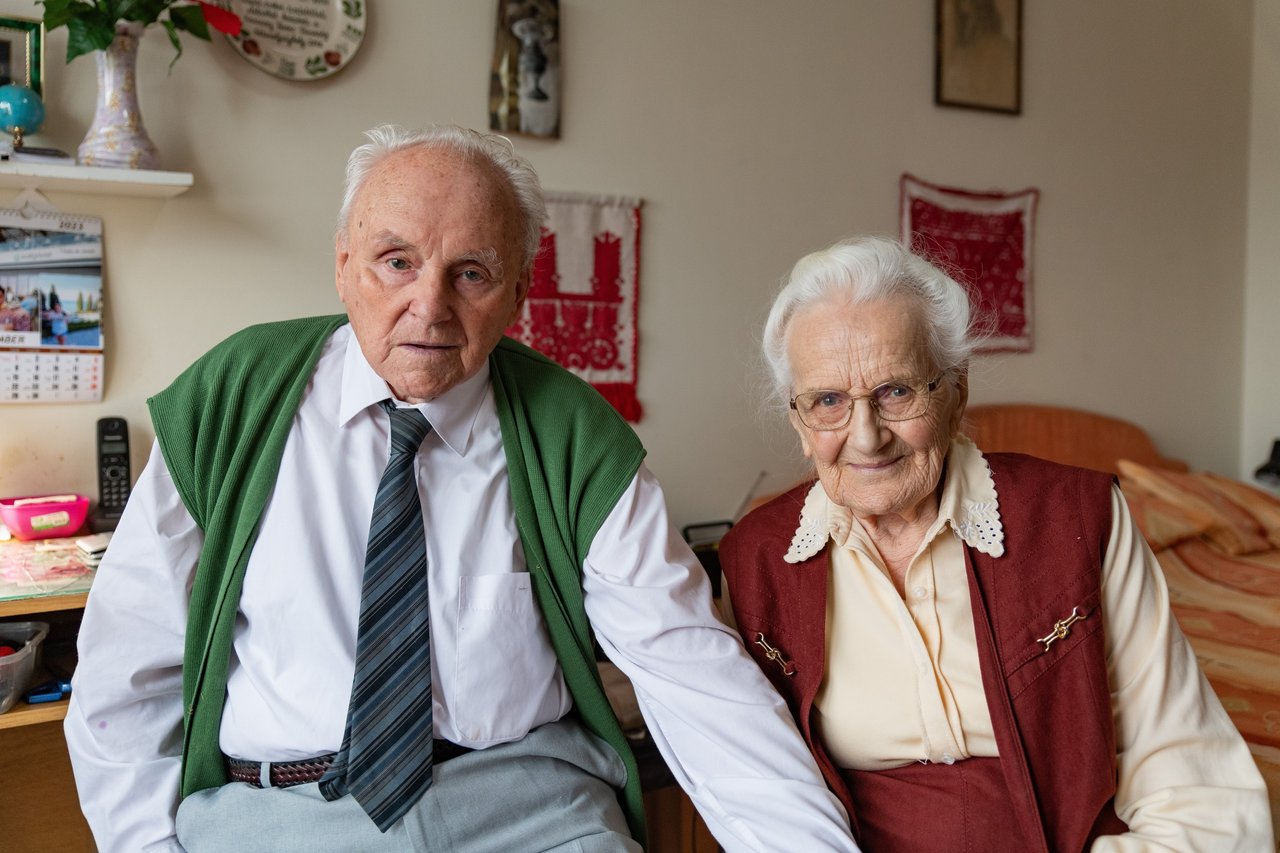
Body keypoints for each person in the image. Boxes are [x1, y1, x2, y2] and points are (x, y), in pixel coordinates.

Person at [63, 124, 858, 853]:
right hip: (282, 818)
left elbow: (691, 673)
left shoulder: (573, 433)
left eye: (470, 272)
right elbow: (122, 677)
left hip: (532, 811)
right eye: (397, 261)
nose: (429, 305)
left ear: (518, 293)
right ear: (342, 264)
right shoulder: (231, 399)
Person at [718, 235, 1275, 851]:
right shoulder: (754, 561)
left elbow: (1192, 785)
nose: (867, 437)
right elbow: (747, 789)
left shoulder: (1079, 520)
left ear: (955, 390)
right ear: (799, 422)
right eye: (827, 402)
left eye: (896, 391)